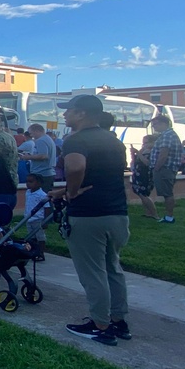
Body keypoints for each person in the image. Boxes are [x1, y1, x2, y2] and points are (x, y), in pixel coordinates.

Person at [54, 94, 130, 346]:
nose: (65, 115)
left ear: (82, 113)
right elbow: (101, 175)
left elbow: (76, 168)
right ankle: (118, 320)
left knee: (93, 273)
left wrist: (72, 192)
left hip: (89, 216)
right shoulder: (112, 140)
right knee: (112, 268)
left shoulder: (76, 140)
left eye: (69, 111)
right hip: (117, 213)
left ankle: (100, 325)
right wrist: (66, 189)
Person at [149, 114, 181, 224]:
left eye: (155, 124)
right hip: (166, 169)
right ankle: (168, 216)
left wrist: (157, 168)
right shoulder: (168, 135)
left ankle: (169, 217)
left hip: (165, 169)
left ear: (164, 124)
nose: (154, 127)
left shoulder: (167, 136)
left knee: (167, 194)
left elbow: (163, 154)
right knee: (167, 193)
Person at [21, 123, 56, 193]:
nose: (31, 136)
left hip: (41, 173)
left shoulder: (41, 141)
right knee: (46, 197)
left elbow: (44, 156)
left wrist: (28, 157)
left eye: (31, 133)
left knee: (40, 198)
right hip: (47, 173)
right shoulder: (48, 139)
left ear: (36, 131)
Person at [130, 135, 160, 219]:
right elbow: (135, 161)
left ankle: (154, 214)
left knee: (143, 194)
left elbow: (147, 163)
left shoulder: (153, 151)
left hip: (145, 175)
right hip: (138, 173)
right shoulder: (143, 150)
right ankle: (148, 212)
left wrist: (138, 153)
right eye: (143, 143)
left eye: (146, 142)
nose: (144, 145)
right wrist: (133, 154)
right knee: (141, 193)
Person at [23, 173, 48, 260]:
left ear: (39, 183)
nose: (28, 183)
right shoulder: (27, 192)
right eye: (27, 181)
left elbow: (47, 207)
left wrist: (45, 221)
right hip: (28, 218)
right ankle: (33, 252)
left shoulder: (42, 195)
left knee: (40, 237)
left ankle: (41, 253)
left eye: (31, 181)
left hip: (38, 219)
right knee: (31, 236)